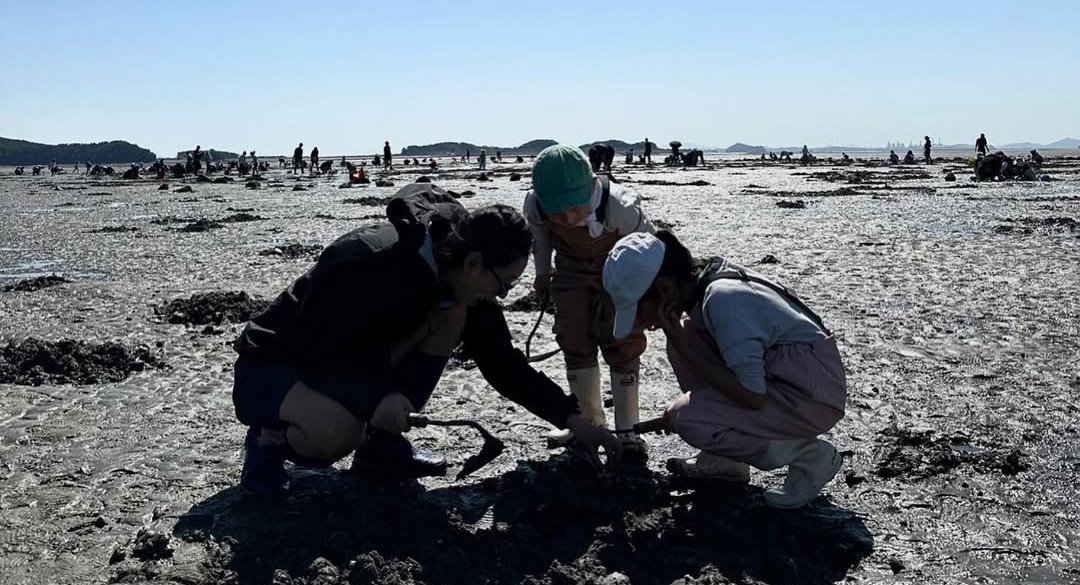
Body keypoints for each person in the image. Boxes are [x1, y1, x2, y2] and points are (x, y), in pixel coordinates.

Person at [232, 183, 620, 499]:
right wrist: (375, 398)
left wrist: (572, 419)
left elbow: (503, 363)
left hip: (350, 362)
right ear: (473, 264)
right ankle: (267, 443)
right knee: (335, 433)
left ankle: (381, 449)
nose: (501, 297)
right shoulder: (368, 261)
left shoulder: (461, 277)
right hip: (275, 366)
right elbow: (316, 349)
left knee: (452, 314)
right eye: (503, 285)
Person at [603, 231, 846, 508]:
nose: (641, 323)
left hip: (810, 398)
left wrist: (682, 410)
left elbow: (751, 396)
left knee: (689, 417)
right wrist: (683, 345)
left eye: (637, 311)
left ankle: (808, 456)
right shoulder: (706, 281)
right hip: (792, 378)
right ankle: (724, 460)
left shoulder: (723, 301)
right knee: (682, 339)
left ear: (664, 289)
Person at [524, 145, 655, 461]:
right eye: (557, 212)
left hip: (620, 274)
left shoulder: (621, 207)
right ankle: (588, 423)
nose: (567, 219)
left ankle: (628, 431)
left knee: (623, 341)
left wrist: (646, 295)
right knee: (574, 338)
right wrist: (542, 275)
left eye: (573, 207)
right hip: (570, 273)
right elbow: (540, 238)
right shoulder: (536, 206)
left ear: (593, 184)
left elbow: (650, 251)